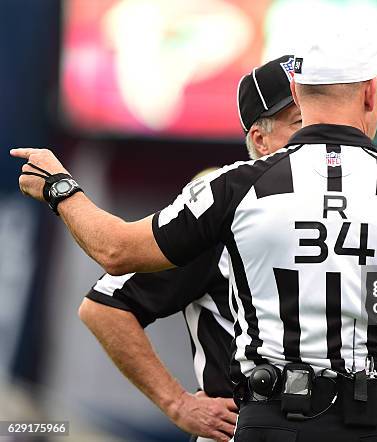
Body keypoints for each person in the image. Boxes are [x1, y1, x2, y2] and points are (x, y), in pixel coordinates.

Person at [11, 23, 377, 440]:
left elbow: (115, 250)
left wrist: (62, 189)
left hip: (271, 421)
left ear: (301, 91)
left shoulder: (231, 189)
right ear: (373, 95)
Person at [77, 55, 301, 442]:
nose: (317, 135)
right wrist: (177, 403)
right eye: (300, 123)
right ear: (260, 140)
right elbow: (104, 304)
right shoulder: (226, 214)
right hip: (246, 427)